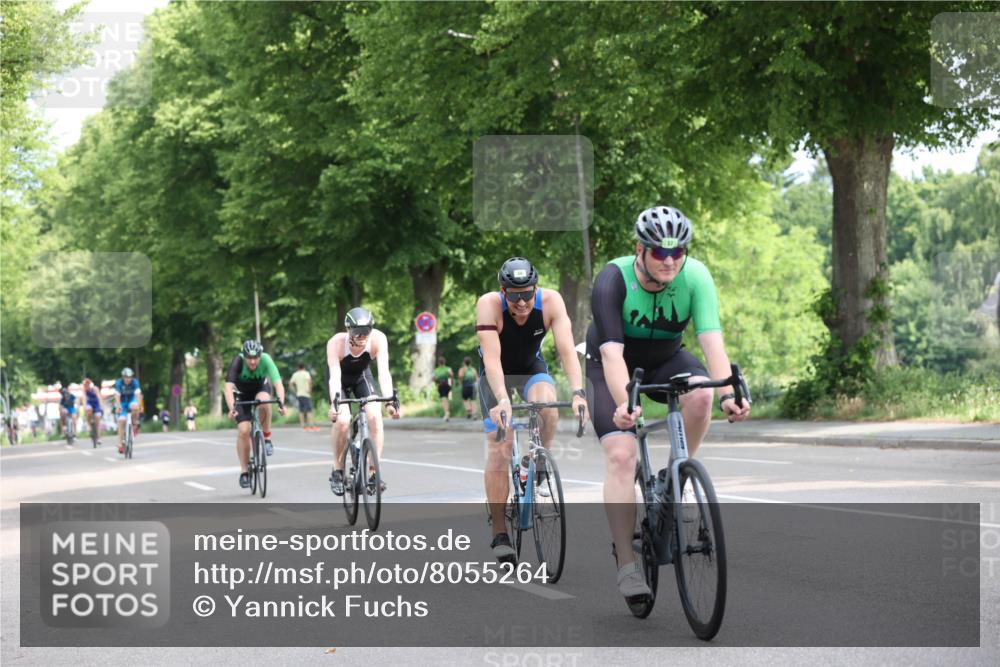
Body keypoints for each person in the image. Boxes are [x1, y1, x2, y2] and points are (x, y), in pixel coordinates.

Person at [586, 205, 750, 601]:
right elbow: (612, 355)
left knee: (701, 393)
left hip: (666, 359)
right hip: (613, 362)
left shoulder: (696, 276)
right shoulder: (612, 279)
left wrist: (729, 393)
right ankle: (627, 563)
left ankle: (676, 475)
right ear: (639, 250)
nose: (670, 261)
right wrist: (626, 404)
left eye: (678, 252)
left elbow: (712, 341)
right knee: (623, 455)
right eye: (660, 252)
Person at [476, 257, 589, 561]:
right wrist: (502, 399)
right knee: (500, 445)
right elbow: (492, 360)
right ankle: (499, 530)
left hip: (530, 367)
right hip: (495, 373)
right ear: (503, 292)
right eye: (514, 295)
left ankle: (537, 462)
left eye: (527, 293)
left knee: (548, 406)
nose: (522, 302)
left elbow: (567, 350)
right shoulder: (488, 304)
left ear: (536, 289)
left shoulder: (551, 302)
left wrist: (578, 392)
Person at [326, 307, 401, 496]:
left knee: (375, 417)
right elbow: (334, 376)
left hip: (361, 377)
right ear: (348, 330)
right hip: (340, 380)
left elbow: (384, 373)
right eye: (357, 332)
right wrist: (334, 404)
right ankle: (337, 470)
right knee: (343, 420)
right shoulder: (336, 343)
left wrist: (390, 402)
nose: (362, 336)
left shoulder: (378, 339)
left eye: (366, 331)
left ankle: (374, 473)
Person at [224, 340, 286, 489]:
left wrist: (281, 402)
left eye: (255, 358)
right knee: (244, 430)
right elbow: (228, 387)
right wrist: (232, 408)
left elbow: (278, 383)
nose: (252, 361)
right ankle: (244, 472)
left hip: (260, 388)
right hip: (241, 394)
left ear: (260, 355)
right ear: (244, 356)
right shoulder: (237, 361)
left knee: (265, 402)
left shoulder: (266, 359)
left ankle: (267, 437)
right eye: (249, 358)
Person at [113, 368, 143, 454]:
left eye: (129, 377)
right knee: (121, 421)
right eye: (126, 377)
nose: (128, 379)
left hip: (131, 400)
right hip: (122, 402)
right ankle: (120, 444)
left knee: (135, 407)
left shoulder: (135, 382)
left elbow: (138, 394)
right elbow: (117, 396)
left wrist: (140, 405)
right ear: (123, 377)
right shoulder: (119, 383)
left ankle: (134, 424)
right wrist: (118, 406)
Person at [289, 363, 318, 431]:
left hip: (299, 394)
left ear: (298, 367)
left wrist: (295, 390)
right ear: (304, 367)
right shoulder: (306, 373)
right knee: (309, 410)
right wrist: (309, 390)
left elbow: (290, 383)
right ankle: (310, 425)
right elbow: (309, 381)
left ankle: (302, 425)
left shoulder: (295, 374)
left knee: (301, 410)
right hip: (306, 394)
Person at [82, 378, 104, 445]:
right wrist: (84, 406)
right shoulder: (84, 390)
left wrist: (101, 406)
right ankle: (90, 425)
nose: (86, 386)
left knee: (98, 419)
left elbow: (99, 397)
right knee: (88, 410)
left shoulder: (95, 389)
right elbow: (84, 399)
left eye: (87, 385)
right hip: (89, 404)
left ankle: (99, 438)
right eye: (85, 385)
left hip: (96, 404)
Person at [433, 356, 454, 421]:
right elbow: (451, 375)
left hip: (441, 385)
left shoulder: (436, 370)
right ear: (444, 362)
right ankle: (448, 412)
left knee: (443, 399)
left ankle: (446, 413)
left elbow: (434, 379)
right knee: (449, 399)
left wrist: (438, 379)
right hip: (449, 384)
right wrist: (451, 384)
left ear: (438, 363)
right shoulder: (448, 368)